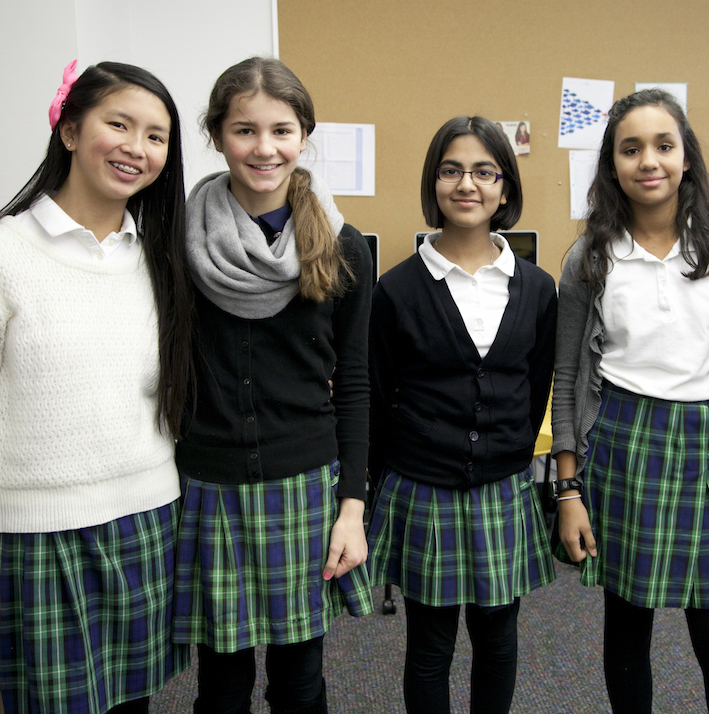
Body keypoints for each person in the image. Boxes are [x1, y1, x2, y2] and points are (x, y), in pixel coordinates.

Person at [552, 88, 709, 714]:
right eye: (630, 149)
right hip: (618, 451)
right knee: (627, 640)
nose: (648, 161)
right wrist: (568, 493)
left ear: (685, 157)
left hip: (708, 454)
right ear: (612, 164)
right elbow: (567, 383)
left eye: (663, 145)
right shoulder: (589, 258)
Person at [171, 57, 373, 714]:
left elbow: (355, 385)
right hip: (209, 483)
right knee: (221, 688)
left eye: (282, 130)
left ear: (304, 135)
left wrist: (352, 508)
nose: (265, 148)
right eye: (244, 130)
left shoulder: (342, 246)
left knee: (299, 683)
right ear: (216, 135)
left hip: (304, 484)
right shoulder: (178, 241)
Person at [0, 60, 194, 714]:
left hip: (147, 519)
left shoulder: (160, 257)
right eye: (119, 125)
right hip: (36, 533)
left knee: (135, 703)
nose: (137, 148)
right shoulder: (8, 251)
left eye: (156, 136)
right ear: (70, 131)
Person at [367, 116, 557, 714]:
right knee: (430, 645)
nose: (467, 184)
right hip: (422, 484)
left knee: (498, 639)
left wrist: (505, 450)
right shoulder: (396, 289)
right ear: (434, 182)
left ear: (505, 187)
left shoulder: (537, 288)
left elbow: (535, 388)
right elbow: (378, 395)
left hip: (502, 484)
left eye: (484, 171)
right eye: (451, 170)